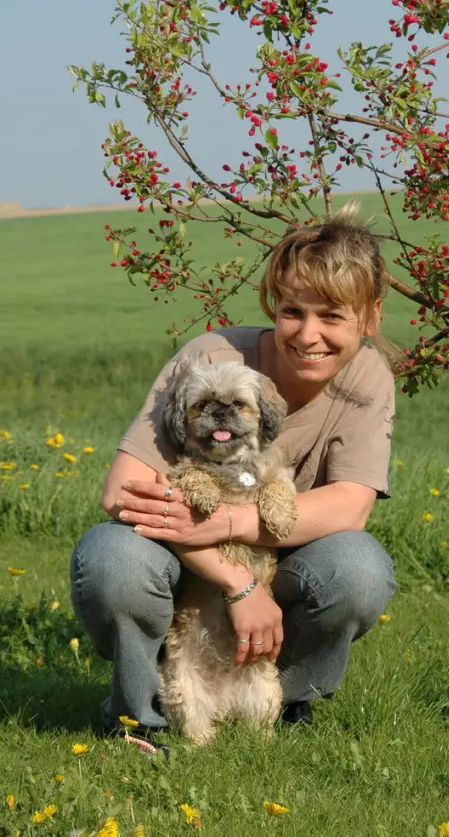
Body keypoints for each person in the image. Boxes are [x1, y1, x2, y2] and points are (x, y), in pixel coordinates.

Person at [70, 204, 396, 737]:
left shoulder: (367, 377)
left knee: (359, 568)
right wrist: (237, 582)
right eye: (293, 311)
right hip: (185, 566)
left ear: (371, 317)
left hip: (278, 563)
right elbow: (122, 493)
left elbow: (351, 507)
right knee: (113, 558)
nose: (308, 334)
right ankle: (138, 717)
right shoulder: (211, 359)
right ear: (273, 305)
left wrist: (229, 524)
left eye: (332, 316)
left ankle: (285, 701)